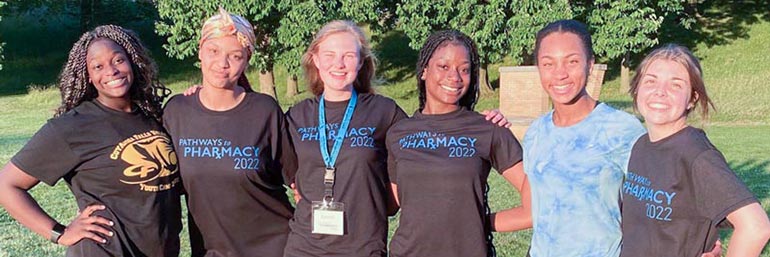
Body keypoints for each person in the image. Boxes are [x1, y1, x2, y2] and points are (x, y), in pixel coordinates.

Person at [283, 21, 511, 257]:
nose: (339, 64)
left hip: (363, 247)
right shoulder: (295, 117)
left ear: (361, 62)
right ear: (315, 59)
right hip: (304, 247)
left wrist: (486, 122)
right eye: (329, 55)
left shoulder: (384, 112)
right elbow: (289, 173)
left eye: (349, 55)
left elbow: (431, 136)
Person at [0, 25, 181, 256]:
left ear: (133, 62)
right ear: (88, 75)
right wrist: (59, 232)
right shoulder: (73, 127)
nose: (111, 71)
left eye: (118, 60)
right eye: (98, 66)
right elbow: (6, 185)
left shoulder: (154, 117)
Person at [385, 30, 531, 257]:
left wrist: (482, 221)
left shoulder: (488, 129)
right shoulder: (398, 133)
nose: (454, 77)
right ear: (424, 71)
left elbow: (536, 201)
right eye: (443, 67)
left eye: (464, 69)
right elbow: (391, 203)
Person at [163, 8, 294, 257]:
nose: (222, 64)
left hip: (276, 247)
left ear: (247, 60)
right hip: (210, 251)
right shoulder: (177, 111)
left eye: (235, 56)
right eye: (213, 51)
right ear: (200, 50)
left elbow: (299, 181)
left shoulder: (264, 111)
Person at [620, 44, 770, 257]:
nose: (660, 92)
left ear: (692, 98)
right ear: (637, 89)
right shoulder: (641, 146)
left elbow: (755, 227)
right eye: (651, 81)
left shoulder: (696, 155)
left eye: (676, 85)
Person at [522, 20, 646, 257]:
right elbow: (535, 208)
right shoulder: (536, 132)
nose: (560, 74)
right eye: (548, 63)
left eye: (572, 61)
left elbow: (661, 200)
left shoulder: (621, 129)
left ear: (590, 65)